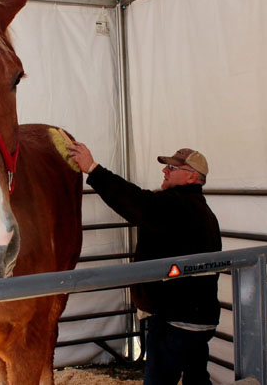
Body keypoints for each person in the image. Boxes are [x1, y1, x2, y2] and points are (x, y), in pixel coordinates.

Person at [67, 143, 222, 385]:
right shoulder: (201, 210)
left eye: (172, 167)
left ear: (192, 176)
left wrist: (93, 170)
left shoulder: (176, 206)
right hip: (198, 318)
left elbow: (135, 202)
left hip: (174, 318)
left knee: (159, 380)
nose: (165, 171)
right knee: (196, 378)